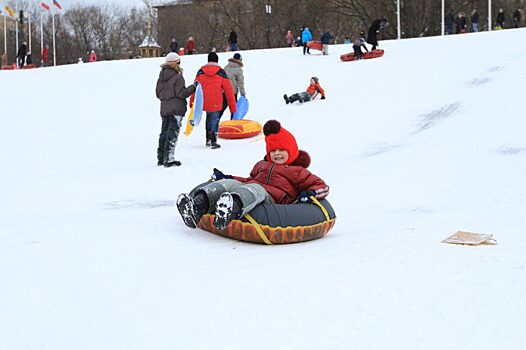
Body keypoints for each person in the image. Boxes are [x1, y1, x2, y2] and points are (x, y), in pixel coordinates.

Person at [176, 119, 330, 231]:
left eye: (282, 150)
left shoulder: (297, 171)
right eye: (273, 151)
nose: (277, 154)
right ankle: (196, 207)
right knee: (231, 185)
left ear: (291, 151)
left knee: (256, 188)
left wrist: (311, 194)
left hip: (272, 198)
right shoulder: (261, 165)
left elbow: (322, 186)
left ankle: (231, 209)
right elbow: (248, 180)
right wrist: (228, 177)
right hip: (253, 187)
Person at [155, 52, 196, 167]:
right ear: (176, 63)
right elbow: (182, 93)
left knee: (164, 133)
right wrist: (193, 87)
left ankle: (161, 158)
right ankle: (169, 159)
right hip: (176, 109)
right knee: (172, 134)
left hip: (164, 109)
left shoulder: (161, 77)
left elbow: (158, 94)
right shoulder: (178, 77)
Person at [190, 52, 236, 149]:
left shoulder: (200, 72)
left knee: (208, 118)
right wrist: (233, 107)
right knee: (215, 119)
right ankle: (213, 140)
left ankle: (207, 139)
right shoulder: (221, 72)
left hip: (204, 101)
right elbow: (229, 90)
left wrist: (192, 101)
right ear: (217, 60)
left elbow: (195, 87)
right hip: (216, 101)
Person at [221, 52, 246, 120]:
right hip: (232, 92)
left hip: (224, 91)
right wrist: (243, 93)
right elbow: (240, 82)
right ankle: (233, 122)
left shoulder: (226, 67)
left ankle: (215, 121)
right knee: (233, 109)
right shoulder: (239, 69)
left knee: (222, 107)